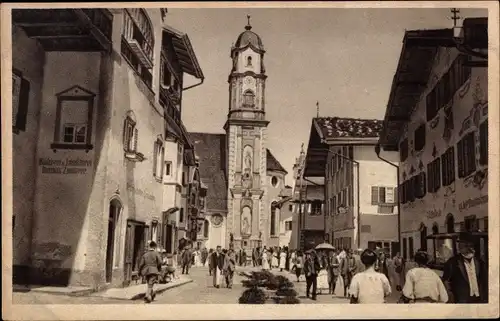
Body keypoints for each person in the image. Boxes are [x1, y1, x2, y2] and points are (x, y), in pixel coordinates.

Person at [442, 232, 488, 303]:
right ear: (460, 247)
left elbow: (485, 280)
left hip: (479, 299)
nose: (469, 248)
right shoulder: (452, 262)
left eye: (471, 246)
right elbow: (446, 281)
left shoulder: (480, 262)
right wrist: (451, 298)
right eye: (466, 246)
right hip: (461, 300)